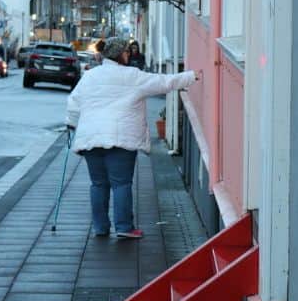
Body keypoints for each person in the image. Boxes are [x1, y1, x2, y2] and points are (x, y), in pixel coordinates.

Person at [65, 37, 199, 239]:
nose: (129, 54)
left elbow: (74, 102)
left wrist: (72, 123)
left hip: (91, 139)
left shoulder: (90, 76)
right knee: (121, 183)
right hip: (121, 140)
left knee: (98, 184)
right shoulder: (132, 76)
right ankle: (124, 227)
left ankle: (100, 227)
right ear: (120, 54)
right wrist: (192, 76)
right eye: (127, 52)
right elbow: (163, 83)